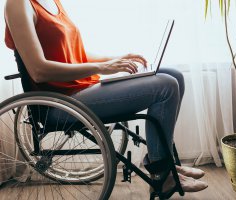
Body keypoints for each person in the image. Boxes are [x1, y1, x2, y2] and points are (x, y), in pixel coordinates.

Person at [4, 0, 208, 193]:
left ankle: (165, 162)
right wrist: (103, 67)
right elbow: (39, 71)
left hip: (82, 89)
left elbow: (76, 55)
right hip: (61, 103)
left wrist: (116, 59)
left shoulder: (53, 2)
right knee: (166, 86)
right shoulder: (18, 4)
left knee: (174, 75)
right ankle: (162, 175)